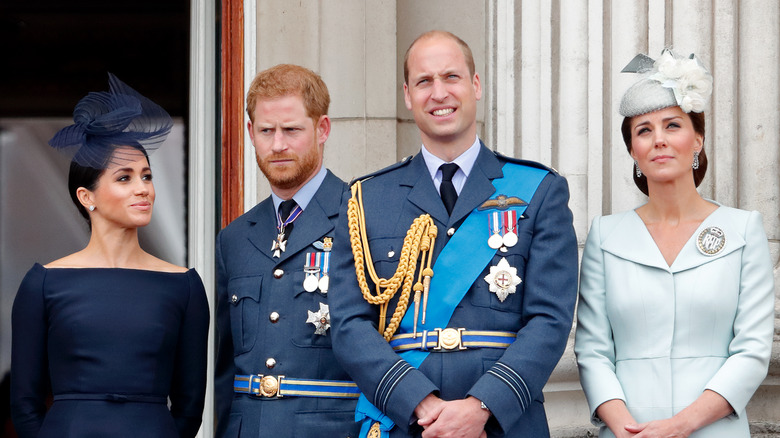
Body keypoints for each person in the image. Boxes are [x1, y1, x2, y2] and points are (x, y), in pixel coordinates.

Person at [329, 30, 579, 438]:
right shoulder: (366, 198)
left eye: (451, 77)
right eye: (424, 81)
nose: (439, 92)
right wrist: (418, 402)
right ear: (408, 95)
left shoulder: (538, 190)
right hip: (407, 422)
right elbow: (349, 324)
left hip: (502, 423)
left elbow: (549, 319)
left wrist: (482, 407)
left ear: (475, 86)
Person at [574, 50, 775, 438]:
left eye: (672, 125)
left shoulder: (743, 229)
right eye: (644, 130)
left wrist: (680, 426)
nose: (659, 140)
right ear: (633, 151)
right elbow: (593, 350)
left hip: (715, 430)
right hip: (627, 432)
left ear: (697, 139)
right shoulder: (606, 236)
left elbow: (751, 351)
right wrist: (627, 429)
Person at [10, 73, 210, 438]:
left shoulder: (184, 286)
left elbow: (190, 405)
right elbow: (24, 402)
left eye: (147, 176)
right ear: (87, 197)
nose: (143, 189)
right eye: (125, 178)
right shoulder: (43, 282)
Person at [214, 64, 361, 438]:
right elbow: (225, 371)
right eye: (266, 131)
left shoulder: (362, 218)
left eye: (291, 130)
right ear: (251, 133)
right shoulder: (233, 238)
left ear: (322, 129)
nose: (277, 144)